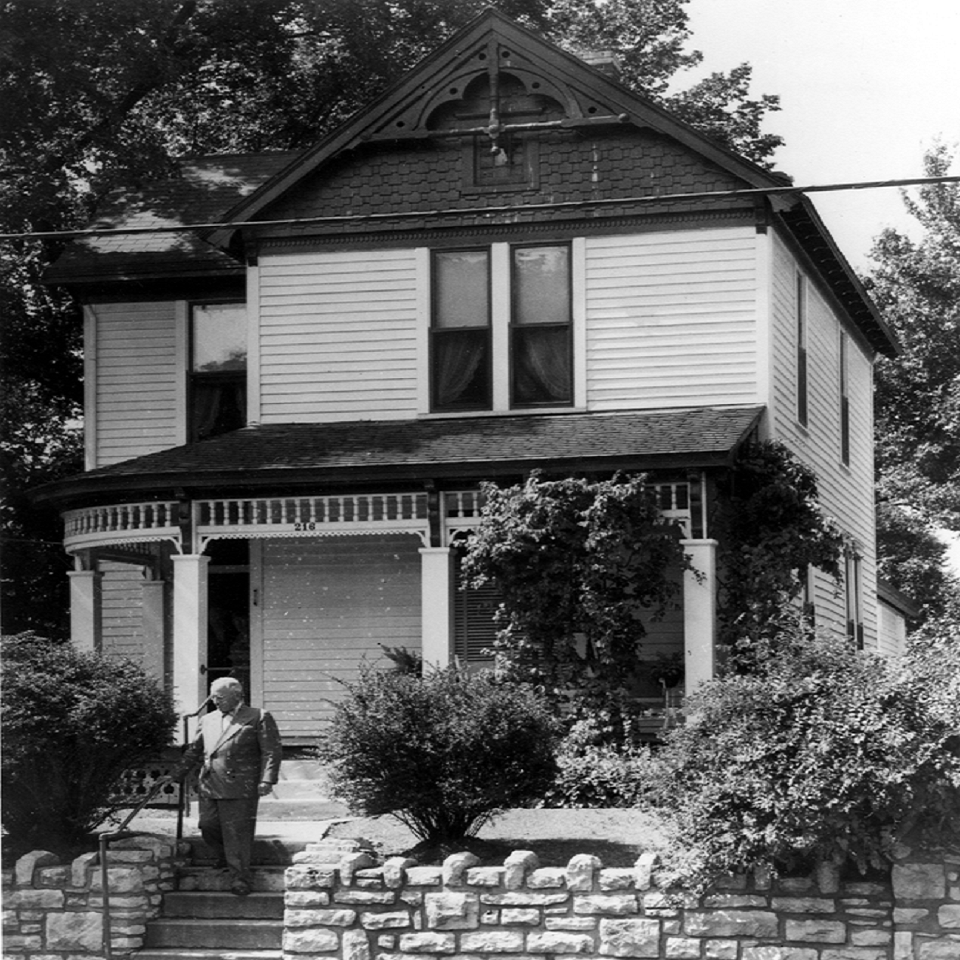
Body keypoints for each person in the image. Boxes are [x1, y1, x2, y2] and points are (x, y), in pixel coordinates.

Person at [172, 677, 282, 896]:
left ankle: (240, 878)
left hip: (241, 784)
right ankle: (224, 856)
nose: (215, 701)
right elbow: (195, 749)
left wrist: (267, 779)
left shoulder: (258, 716)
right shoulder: (208, 719)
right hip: (211, 782)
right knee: (208, 825)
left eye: (220, 697)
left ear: (237, 695)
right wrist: (178, 773)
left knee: (237, 833)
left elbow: (271, 750)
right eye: (212, 697)